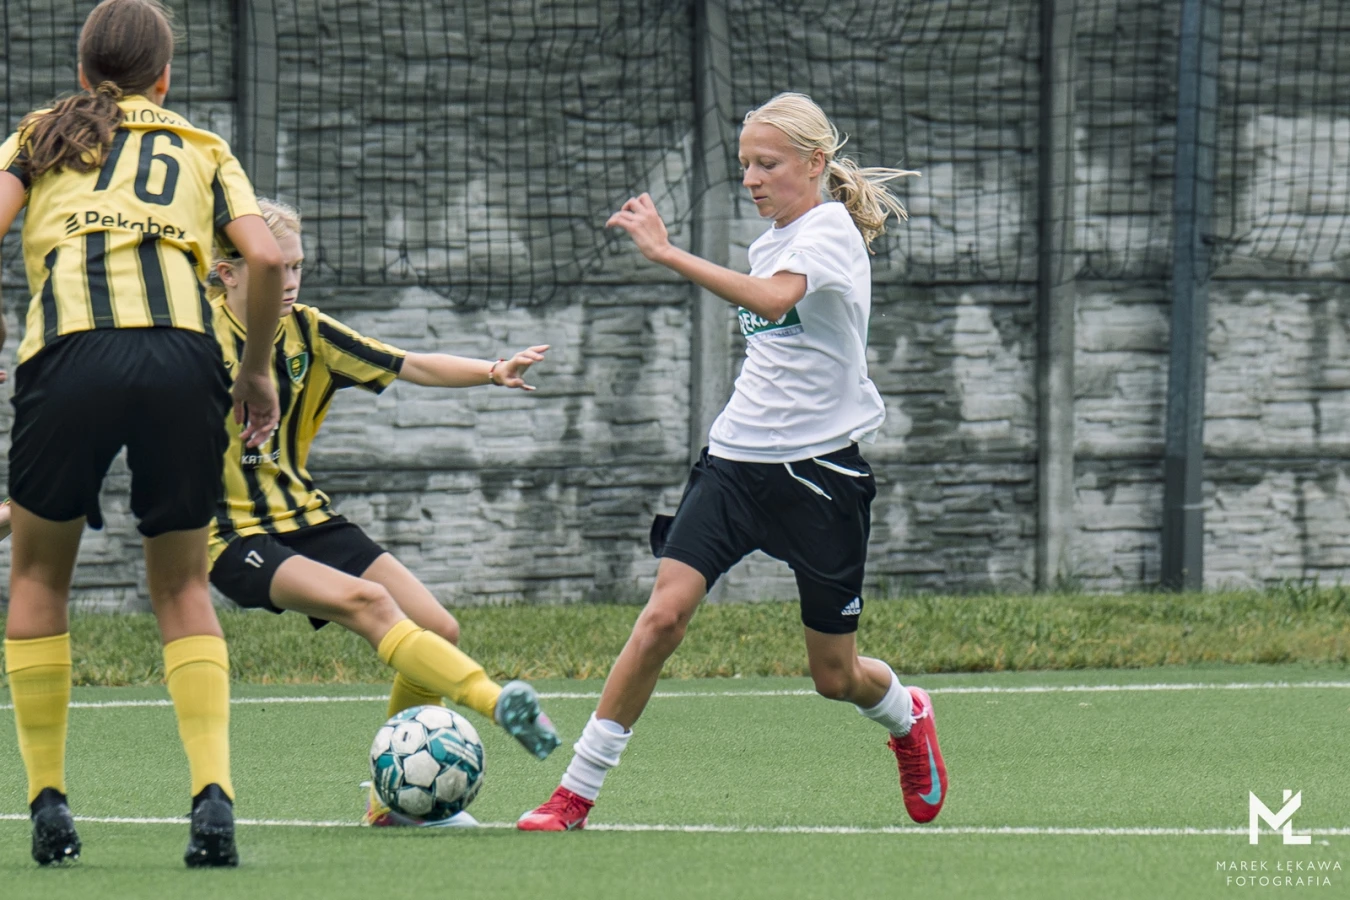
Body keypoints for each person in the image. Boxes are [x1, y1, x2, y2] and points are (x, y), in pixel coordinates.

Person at [519, 92, 946, 831]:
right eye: (745, 164)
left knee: (834, 676)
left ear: (814, 163)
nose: (750, 179)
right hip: (734, 463)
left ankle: (907, 716)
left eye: (767, 164)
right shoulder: (768, 240)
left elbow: (775, 302)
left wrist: (667, 252)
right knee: (662, 619)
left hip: (821, 477)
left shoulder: (829, 231)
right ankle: (574, 794)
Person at [0, 0, 283, 867]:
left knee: (39, 576)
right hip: (181, 358)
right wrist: (256, 370)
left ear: (83, 71)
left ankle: (49, 803)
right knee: (182, 583)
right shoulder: (202, 146)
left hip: (68, 357)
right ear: (164, 78)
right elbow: (267, 257)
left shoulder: (40, 135)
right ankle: (213, 801)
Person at [203, 198, 560, 826]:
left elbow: (409, 363)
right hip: (230, 536)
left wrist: (492, 370)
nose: (289, 281)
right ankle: (494, 700)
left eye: (297, 267)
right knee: (371, 605)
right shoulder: (190, 338)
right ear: (228, 273)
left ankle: (388, 804)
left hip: (307, 519)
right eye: (275, 269)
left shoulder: (310, 332)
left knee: (438, 627)